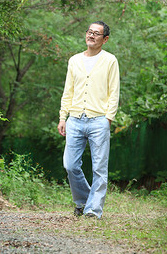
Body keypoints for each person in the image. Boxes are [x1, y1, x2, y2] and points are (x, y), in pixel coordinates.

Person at [57, 21, 120, 219]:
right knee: (70, 165)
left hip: (99, 120)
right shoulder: (74, 60)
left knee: (99, 168)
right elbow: (68, 91)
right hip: (74, 120)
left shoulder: (110, 60)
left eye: (97, 33)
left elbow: (114, 91)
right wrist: (63, 117)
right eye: (89, 32)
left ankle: (93, 210)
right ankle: (84, 201)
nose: (91, 36)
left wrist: (108, 118)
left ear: (105, 39)